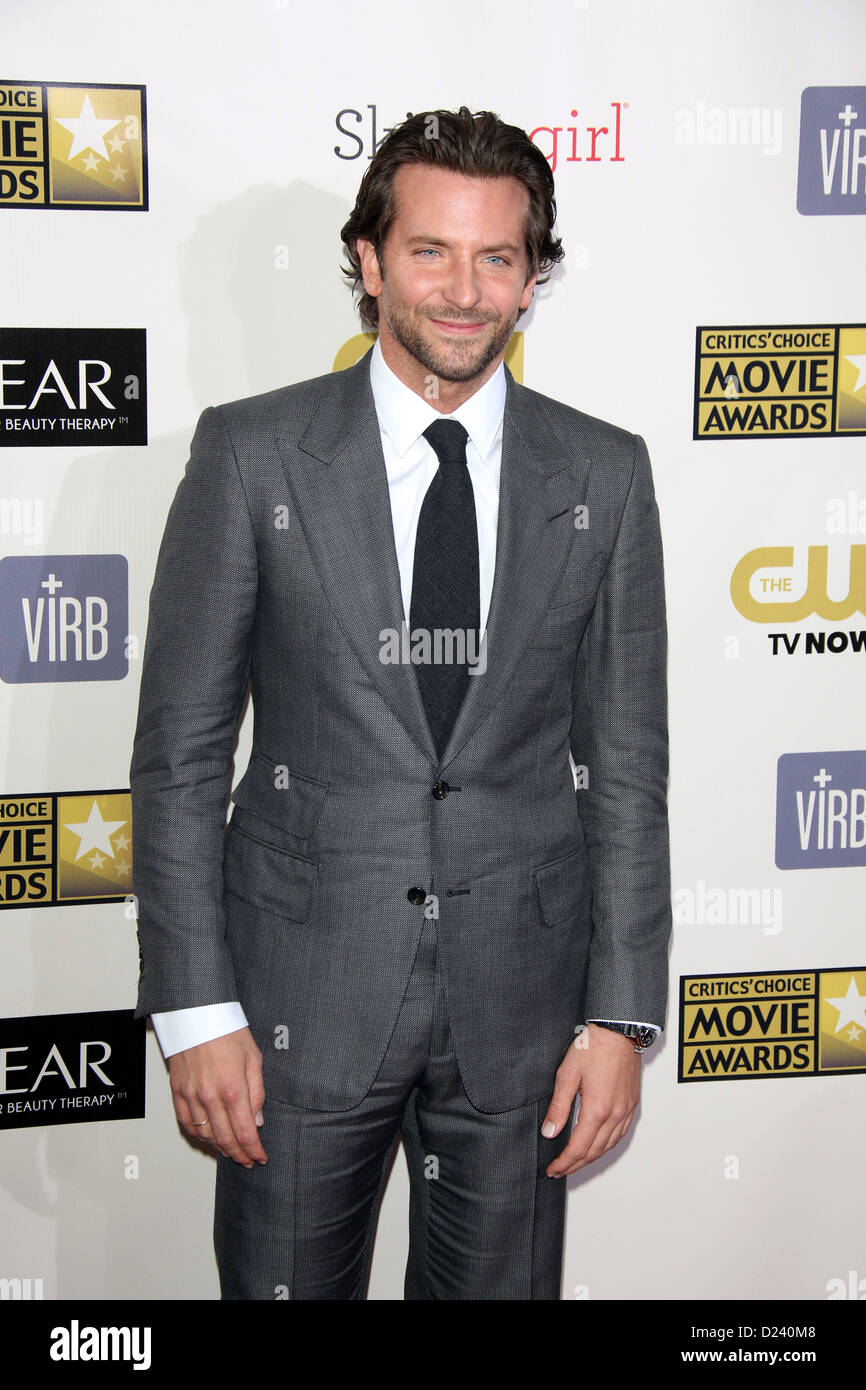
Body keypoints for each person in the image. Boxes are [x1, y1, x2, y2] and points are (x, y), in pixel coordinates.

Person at [130, 106, 671, 1301]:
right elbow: (178, 759)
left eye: (498, 257)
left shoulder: (604, 473)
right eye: (430, 250)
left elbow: (626, 770)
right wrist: (193, 1006)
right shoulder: (250, 456)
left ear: (534, 279)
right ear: (369, 264)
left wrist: (621, 1019)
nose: (464, 291)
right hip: (292, 1008)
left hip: (523, 1022)